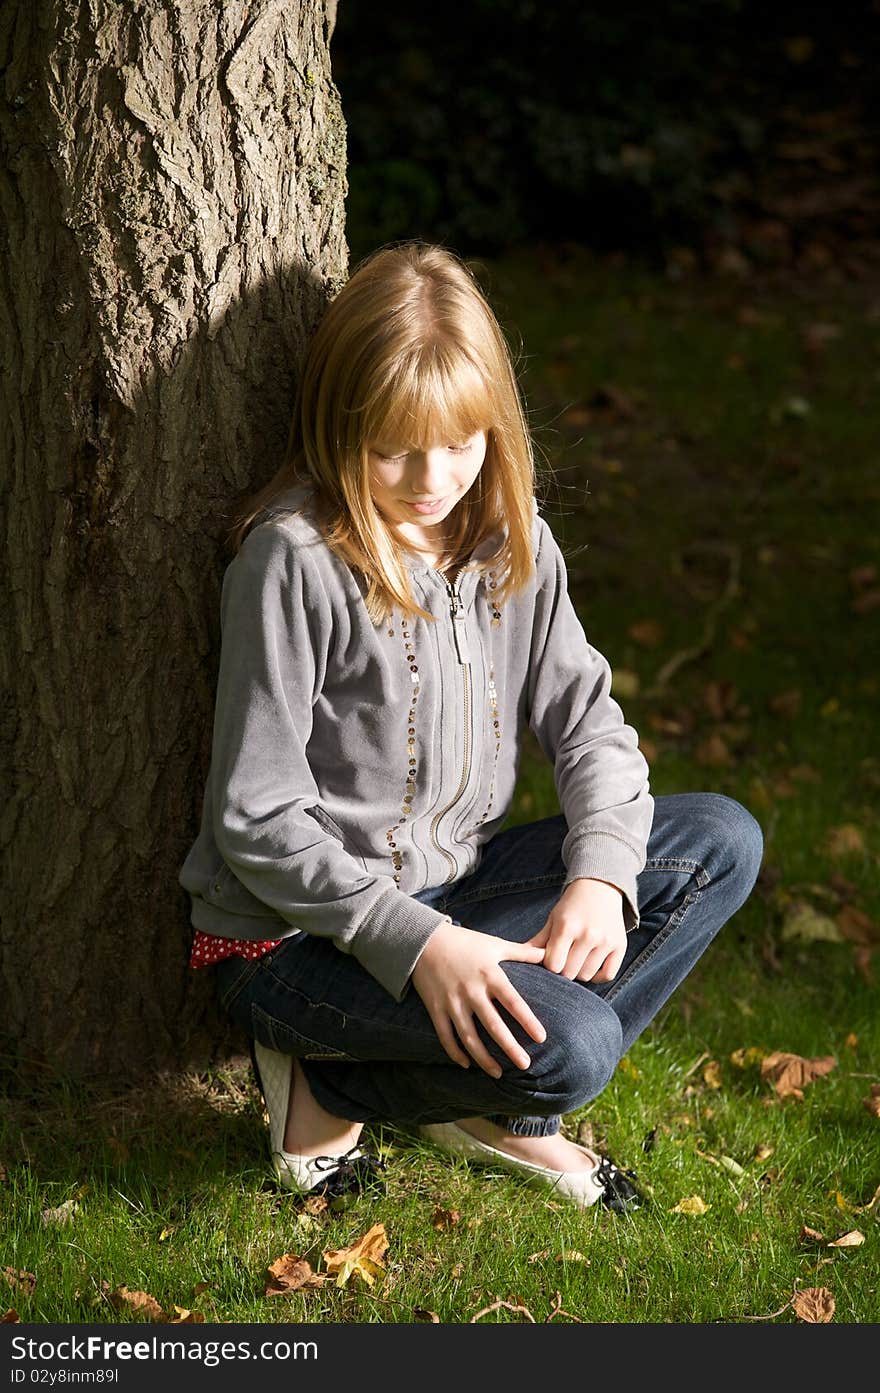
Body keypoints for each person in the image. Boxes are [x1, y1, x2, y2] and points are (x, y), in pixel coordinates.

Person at [180, 241, 763, 1212]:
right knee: (574, 1048)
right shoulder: (293, 563)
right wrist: (421, 948)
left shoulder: (511, 542)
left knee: (720, 841)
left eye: (460, 442)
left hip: (455, 890)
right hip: (296, 943)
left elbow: (591, 728)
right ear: (337, 425)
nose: (430, 477)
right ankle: (331, 1079)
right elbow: (256, 814)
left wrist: (600, 877)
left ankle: (485, 1096)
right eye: (393, 447)